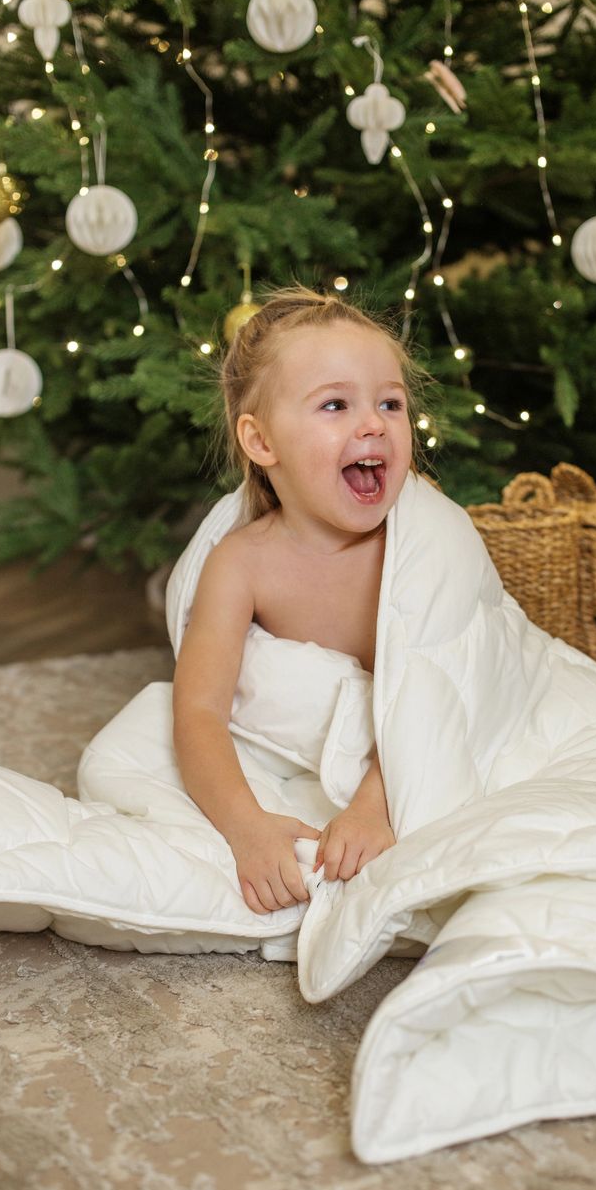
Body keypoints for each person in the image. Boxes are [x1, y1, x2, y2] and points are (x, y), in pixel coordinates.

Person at [172, 285, 428, 918]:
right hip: (290, 756)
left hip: (406, 747)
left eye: (390, 403)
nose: (374, 423)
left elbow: (442, 686)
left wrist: (374, 806)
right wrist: (246, 826)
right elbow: (199, 710)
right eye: (335, 405)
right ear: (262, 443)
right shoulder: (242, 563)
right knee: (120, 757)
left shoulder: (418, 544)